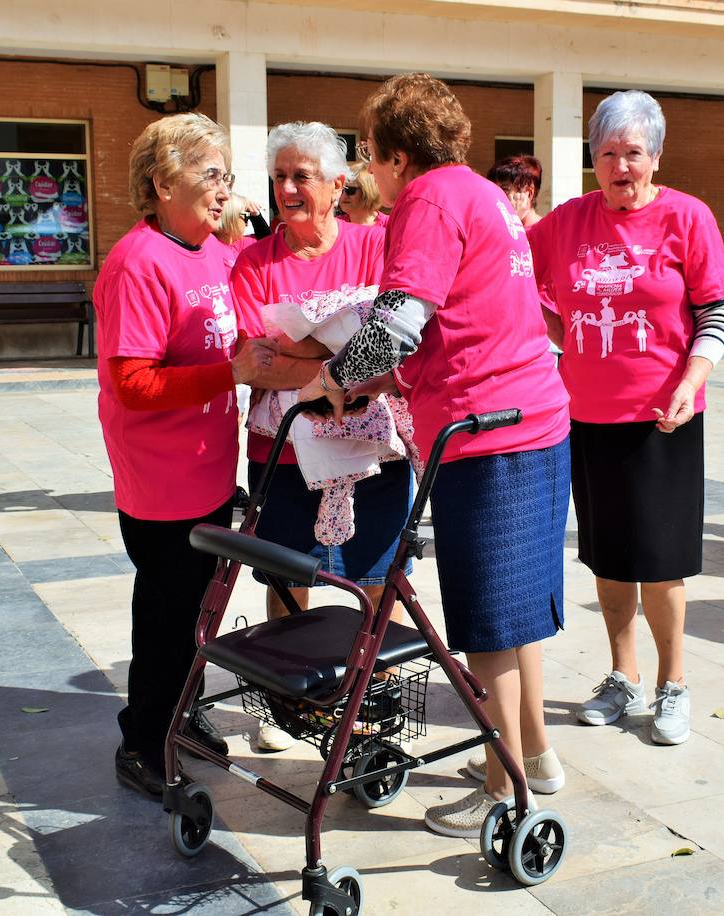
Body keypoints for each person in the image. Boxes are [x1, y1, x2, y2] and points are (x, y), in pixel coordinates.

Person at [296, 73, 571, 836]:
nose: (368, 172)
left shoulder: (428, 200)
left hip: (489, 435)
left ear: (396, 157)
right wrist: (376, 378)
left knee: (486, 621)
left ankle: (500, 786)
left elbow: (396, 324)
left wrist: (333, 378)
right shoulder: (481, 193)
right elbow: (461, 320)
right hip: (532, 421)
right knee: (514, 613)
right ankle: (535, 755)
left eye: (370, 155)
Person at [529, 90, 724, 748]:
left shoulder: (687, 216)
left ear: (657, 157)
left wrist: (692, 380)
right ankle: (625, 676)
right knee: (610, 556)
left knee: (661, 559)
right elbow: (514, 277)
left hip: (664, 415)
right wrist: (561, 333)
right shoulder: (566, 222)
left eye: (634, 153)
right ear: (593, 159)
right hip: (587, 415)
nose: (620, 166)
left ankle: (674, 683)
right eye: (607, 153)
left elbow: (717, 311)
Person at [94, 113, 276, 800]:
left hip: (208, 467)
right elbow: (132, 383)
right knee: (167, 617)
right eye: (209, 175)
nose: (223, 189)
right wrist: (228, 374)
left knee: (198, 612)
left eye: (227, 175)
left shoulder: (214, 251)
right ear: (162, 183)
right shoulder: (137, 262)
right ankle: (142, 742)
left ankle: (179, 713)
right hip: (160, 477)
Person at [229, 121, 411, 753]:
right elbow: (257, 362)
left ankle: (370, 690)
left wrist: (306, 359)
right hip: (281, 447)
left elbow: (401, 343)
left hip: (370, 448)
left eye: (301, 176)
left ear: (338, 186)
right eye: (279, 176)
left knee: (373, 573)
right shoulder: (253, 262)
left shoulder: (377, 245)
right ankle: (288, 697)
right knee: (288, 574)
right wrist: (343, 366)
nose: (287, 188)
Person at [488, 154, 543, 228]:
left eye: (504, 190)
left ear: (529, 193)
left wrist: (513, 219)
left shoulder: (544, 230)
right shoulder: (497, 226)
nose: (497, 198)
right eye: (494, 191)